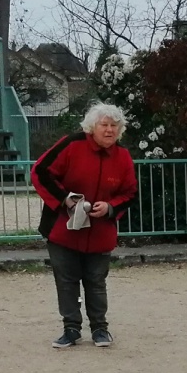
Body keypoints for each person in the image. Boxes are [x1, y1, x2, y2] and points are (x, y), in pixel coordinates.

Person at [32, 103, 137, 348]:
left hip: (100, 231)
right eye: (104, 125)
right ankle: (71, 329)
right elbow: (41, 171)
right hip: (62, 229)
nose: (110, 130)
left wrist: (110, 207)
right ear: (92, 127)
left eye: (114, 126)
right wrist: (65, 199)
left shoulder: (122, 156)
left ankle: (100, 328)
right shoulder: (72, 144)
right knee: (67, 281)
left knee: (96, 281)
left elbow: (130, 192)